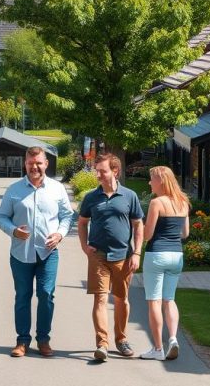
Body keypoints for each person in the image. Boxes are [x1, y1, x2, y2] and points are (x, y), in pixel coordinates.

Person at [0, 146, 74, 358]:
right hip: (21, 253)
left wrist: (59, 234)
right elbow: (1, 217)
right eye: (31, 163)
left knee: (46, 295)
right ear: (25, 164)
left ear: (46, 164)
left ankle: (43, 339)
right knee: (22, 296)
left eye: (39, 163)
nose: (35, 167)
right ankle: (22, 341)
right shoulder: (14, 189)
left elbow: (68, 216)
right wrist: (13, 231)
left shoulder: (57, 189)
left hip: (48, 253)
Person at [77, 153, 144, 361]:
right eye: (96, 171)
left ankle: (122, 340)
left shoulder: (129, 196)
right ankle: (102, 344)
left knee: (121, 299)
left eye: (102, 171)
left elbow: (138, 224)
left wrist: (136, 252)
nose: (98, 175)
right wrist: (84, 246)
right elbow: (82, 222)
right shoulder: (91, 197)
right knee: (100, 298)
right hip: (98, 254)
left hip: (123, 256)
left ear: (115, 171)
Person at [139, 165, 190, 361]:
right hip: (176, 254)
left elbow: (148, 235)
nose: (150, 182)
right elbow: (185, 233)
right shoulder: (183, 202)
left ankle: (158, 348)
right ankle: (174, 338)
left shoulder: (156, 203)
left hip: (157, 254)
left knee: (154, 301)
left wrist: (141, 230)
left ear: (160, 181)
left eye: (152, 179)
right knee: (169, 299)